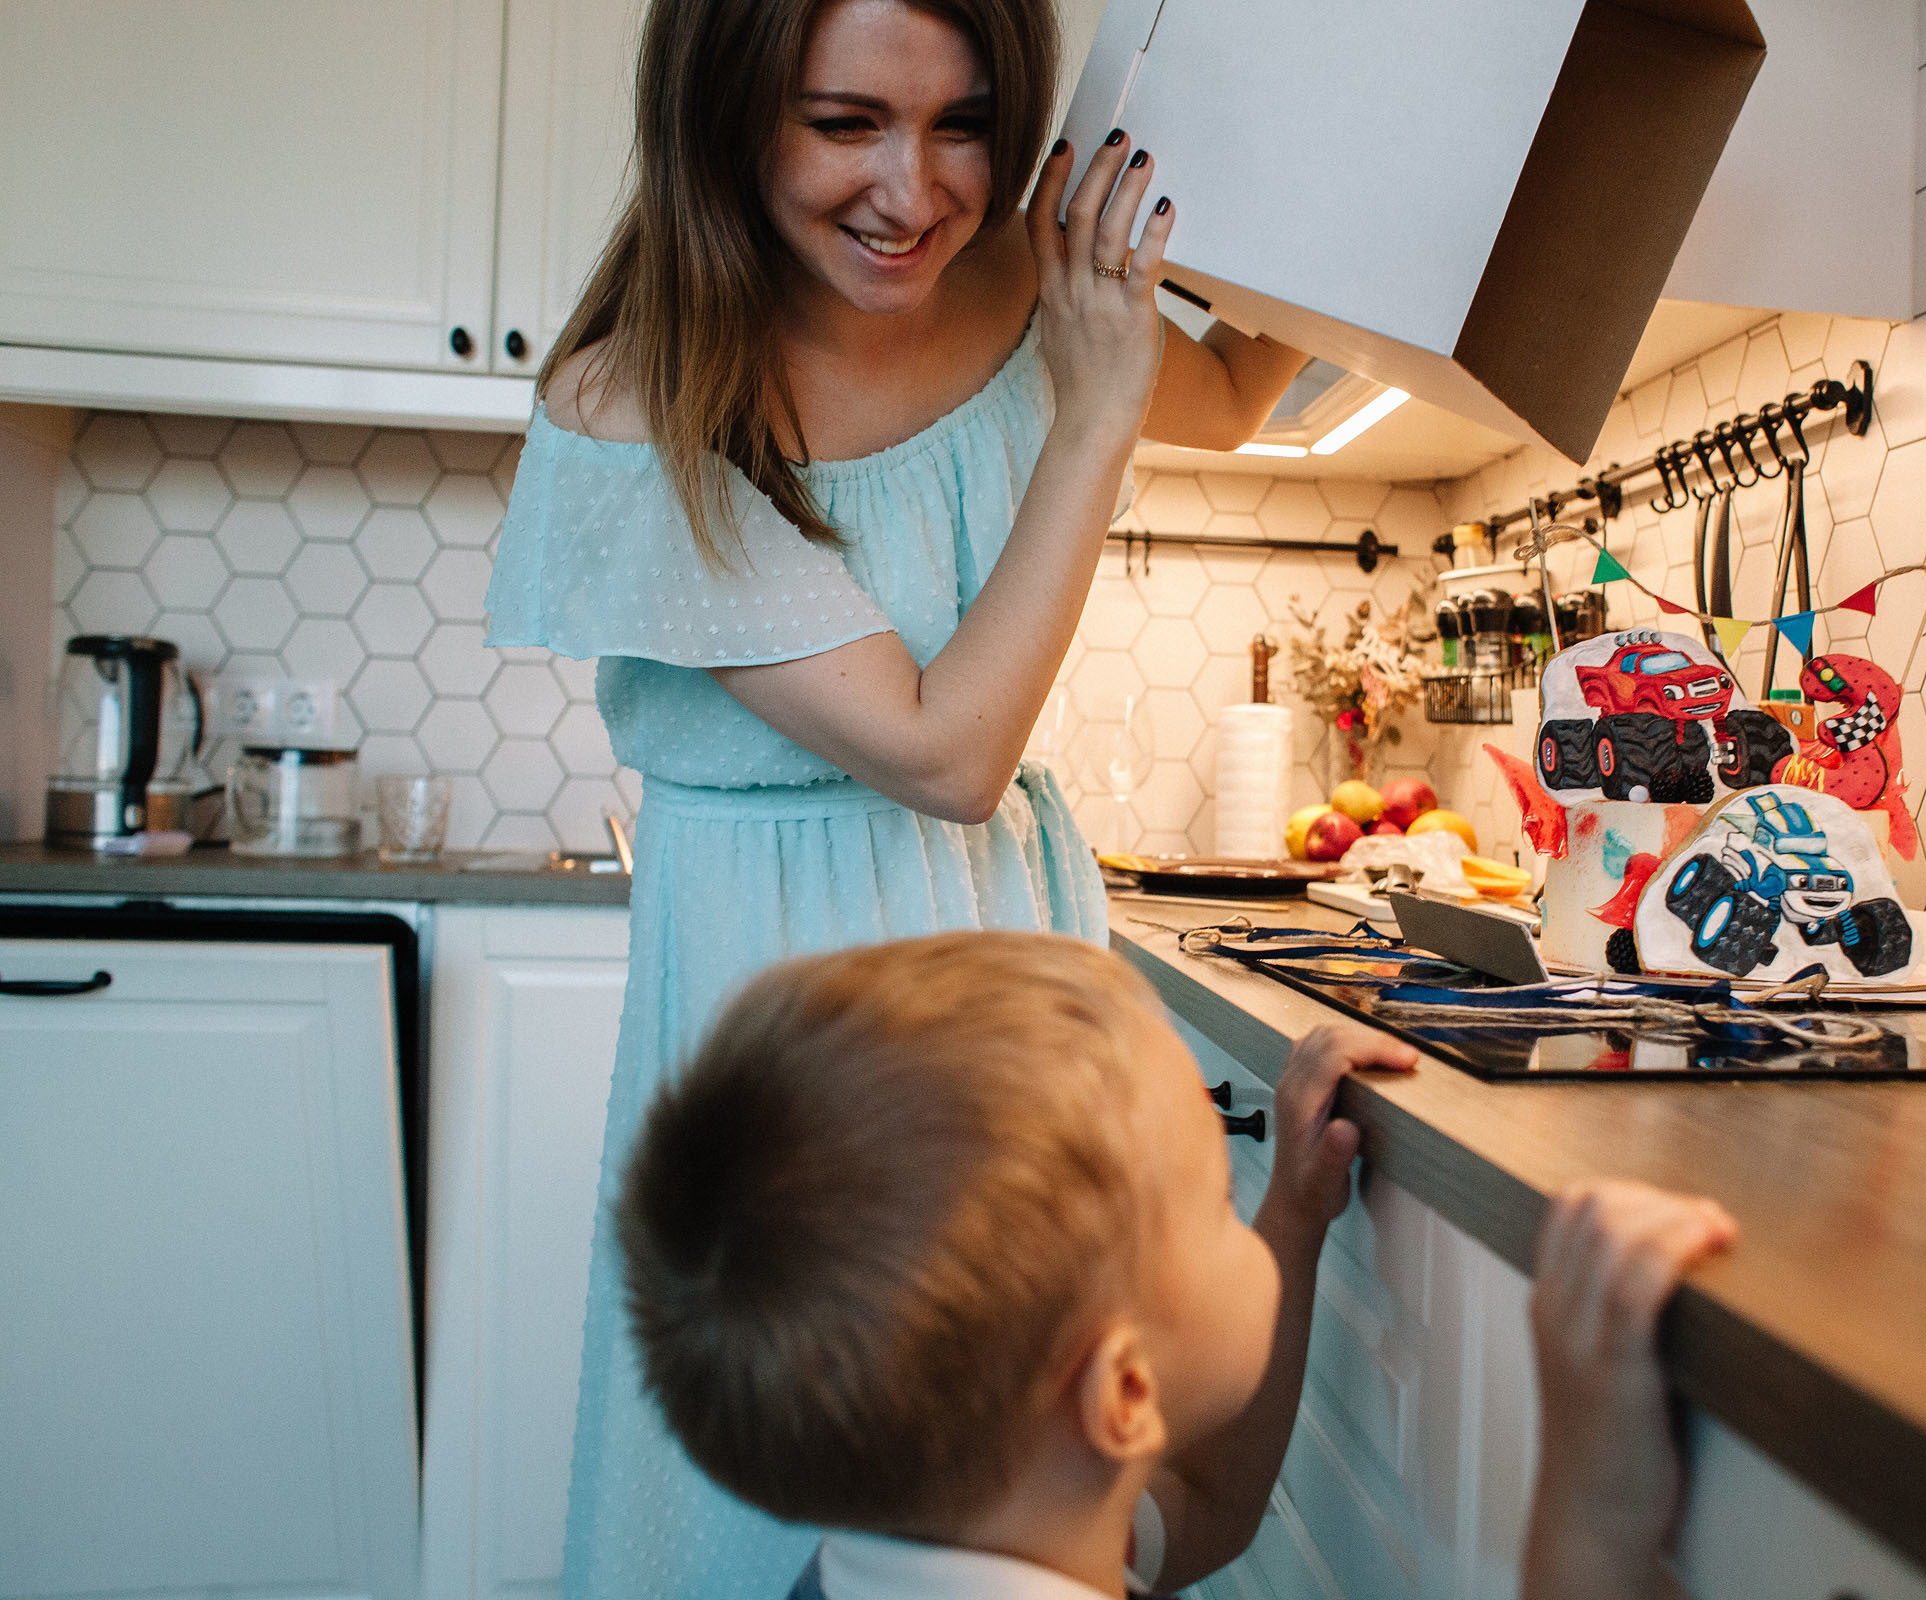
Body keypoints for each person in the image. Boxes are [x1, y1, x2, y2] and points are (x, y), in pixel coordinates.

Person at [483, 0, 1310, 1591]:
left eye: (965, 123)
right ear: (723, 112)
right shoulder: (631, 404)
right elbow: (946, 754)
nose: (916, 191)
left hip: (1013, 944)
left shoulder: (1011, 277)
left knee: (1052, 1450)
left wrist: (1346, 189)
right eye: (846, 121)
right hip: (801, 991)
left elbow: (1238, 390)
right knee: (795, 1461)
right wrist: (1088, 412)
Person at [618, 931, 1741, 1599]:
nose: (1238, 1210)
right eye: (1216, 1196)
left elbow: (1206, 1501)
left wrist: (1293, 1220)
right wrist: (1587, 1523)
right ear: (1126, 1391)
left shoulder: (975, 1530)